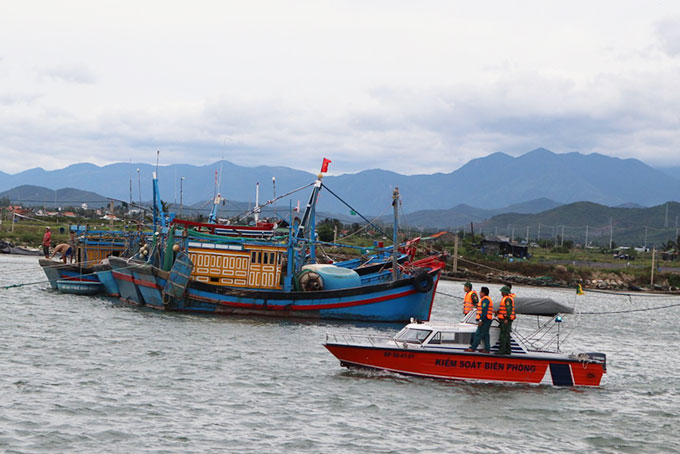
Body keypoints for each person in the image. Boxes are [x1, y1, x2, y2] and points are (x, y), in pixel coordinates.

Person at [465, 287, 493, 353]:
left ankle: (473, 348)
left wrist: (481, 320)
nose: (479, 294)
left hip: (485, 319)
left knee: (479, 333)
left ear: (483, 293)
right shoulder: (485, 300)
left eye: (480, 292)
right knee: (485, 335)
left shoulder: (485, 300)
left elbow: (484, 311)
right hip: (487, 319)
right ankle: (487, 348)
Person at [496, 286, 516, 355]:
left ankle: (502, 350)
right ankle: (508, 350)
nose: (501, 293)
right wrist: (498, 312)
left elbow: (509, 310)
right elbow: (504, 309)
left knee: (503, 335)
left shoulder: (507, 300)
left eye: (502, 291)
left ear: (504, 292)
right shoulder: (506, 299)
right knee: (506, 335)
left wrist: (507, 319)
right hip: (503, 318)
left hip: (505, 320)